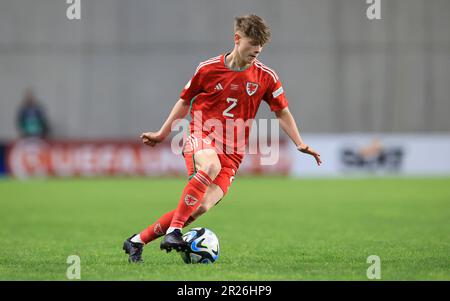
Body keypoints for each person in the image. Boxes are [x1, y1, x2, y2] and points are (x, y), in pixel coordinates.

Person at [123, 14, 322, 263]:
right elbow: (185, 101)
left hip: (234, 152)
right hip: (201, 135)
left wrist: (299, 143)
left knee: (200, 207)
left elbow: (281, 111)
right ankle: (174, 231)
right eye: (253, 43)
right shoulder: (207, 69)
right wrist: (163, 134)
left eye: (261, 46)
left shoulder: (266, 77)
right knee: (210, 164)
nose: (257, 50)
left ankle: (136, 241)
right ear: (237, 39)